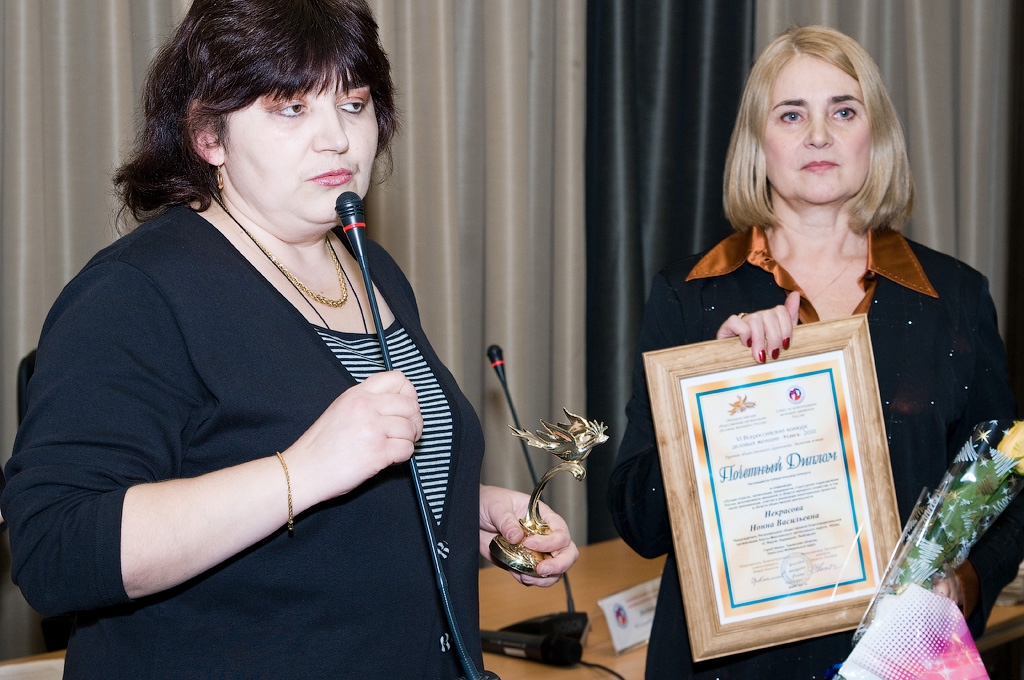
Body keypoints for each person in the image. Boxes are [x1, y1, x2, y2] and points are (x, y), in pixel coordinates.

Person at [1, 1, 578, 677]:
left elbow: (348, 493)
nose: (337, 138)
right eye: (291, 108)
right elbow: (56, 550)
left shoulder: (366, 262)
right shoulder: (134, 292)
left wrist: (463, 508)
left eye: (354, 104)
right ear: (209, 135)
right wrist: (299, 472)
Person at [609, 25, 1024, 679]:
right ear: (759, 142)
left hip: (898, 660)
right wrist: (711, 390)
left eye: (844, 111)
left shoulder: (955, 297)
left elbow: (1004, 486)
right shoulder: (690, 297)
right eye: (792, 114)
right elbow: (640, 520)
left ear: (875, 136)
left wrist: (963, 584)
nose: (820, 135)